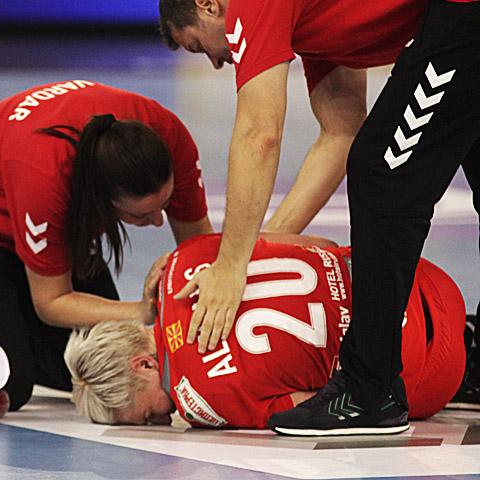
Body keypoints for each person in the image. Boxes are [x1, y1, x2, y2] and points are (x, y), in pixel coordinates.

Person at [159, 0, 480, 434]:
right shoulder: (313, 22)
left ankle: (370, 390)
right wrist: (262, 248)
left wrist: (232, 265)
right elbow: (341, 131)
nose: (218, 62)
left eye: (199, 45)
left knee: (382, 174)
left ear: (208, 4)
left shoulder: (252, 6)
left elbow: (260, 134)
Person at [0, 80, 213, 411]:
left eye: (164, 205)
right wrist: (142, 310)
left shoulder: (168, 138)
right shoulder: (45, 175)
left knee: (102, 363)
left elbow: (203, 255)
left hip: (20, 216)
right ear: (99, 198)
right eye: (140, 216)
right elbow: (52, 301)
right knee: (6, 376)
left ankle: (7, 334)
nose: (158, 221)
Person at [64, 233, 468, 428]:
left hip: (434, 371)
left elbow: (313, 405)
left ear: (144, 364)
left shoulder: (198, 403)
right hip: (422, 276)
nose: (154, 421)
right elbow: (319, 243)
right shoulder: (181, 260)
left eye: (143, 413)